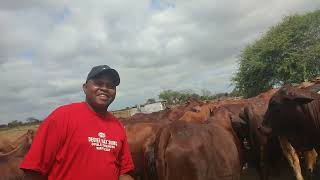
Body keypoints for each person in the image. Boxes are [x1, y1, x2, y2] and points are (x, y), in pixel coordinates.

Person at [20, 65, 135, 180]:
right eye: (98, 83)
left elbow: (124, 172)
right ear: (85, 88)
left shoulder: (117, 126)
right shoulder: (62, 116)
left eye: (110, 86)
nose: (104, 88)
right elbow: (33, 171)